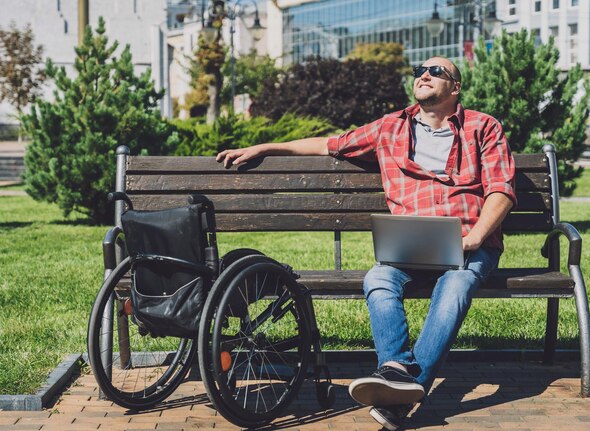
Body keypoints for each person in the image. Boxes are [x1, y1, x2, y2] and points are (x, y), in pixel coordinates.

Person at [216, 56, 516, 431]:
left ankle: (403, 388)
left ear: (455, 88)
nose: (424, 75)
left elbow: (501, 190)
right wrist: (267, 148)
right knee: (378, 279)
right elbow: (330, 145)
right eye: (419, 70)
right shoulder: (390, 127)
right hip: (411, 245)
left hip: (469, 241)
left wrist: (475, 237)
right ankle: (396, 368)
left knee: (456, 286)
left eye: (436, 71)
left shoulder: (483, 127)